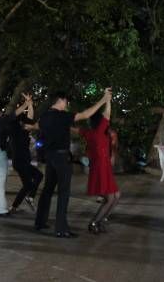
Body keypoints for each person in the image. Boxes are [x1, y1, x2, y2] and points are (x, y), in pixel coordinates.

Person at [34, 88, 112, 238]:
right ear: (61, 100)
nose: (67, 104)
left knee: (47, 190)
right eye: (66, 101)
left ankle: (40, 222)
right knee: (63, 193)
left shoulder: (44, 117)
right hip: (61, 158)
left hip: (49, 157)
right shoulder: (62, 116)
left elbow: (38, 127)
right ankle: (61, 229)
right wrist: (103, 100)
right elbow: (85, 115)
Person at [74, 94, 120, 234]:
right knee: (111, 197)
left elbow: (76, 130)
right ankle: (94, 222)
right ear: (101, 122)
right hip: (101, 168)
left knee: (116, 196)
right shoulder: (100, 131)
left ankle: (99, 221)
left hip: (101, 167)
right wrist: (108, 101)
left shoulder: (90, 133)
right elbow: (107, 114)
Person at [0, 95, 33, 217]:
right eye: (1, 111)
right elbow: (14, 115)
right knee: (0, 183)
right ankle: (2, 210)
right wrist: (26, 104)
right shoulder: (0, 121)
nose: (3, 113)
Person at [9, 95, 43, 213]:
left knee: (36, 178)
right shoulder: (13, 126)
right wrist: (25, 104)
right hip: (19, 161)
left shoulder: (24, 125)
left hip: (24, 161)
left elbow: (30, 117)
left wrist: (29, 104)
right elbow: (15, 115)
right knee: (30, 183)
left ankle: (19, 204)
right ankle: (18, 204)